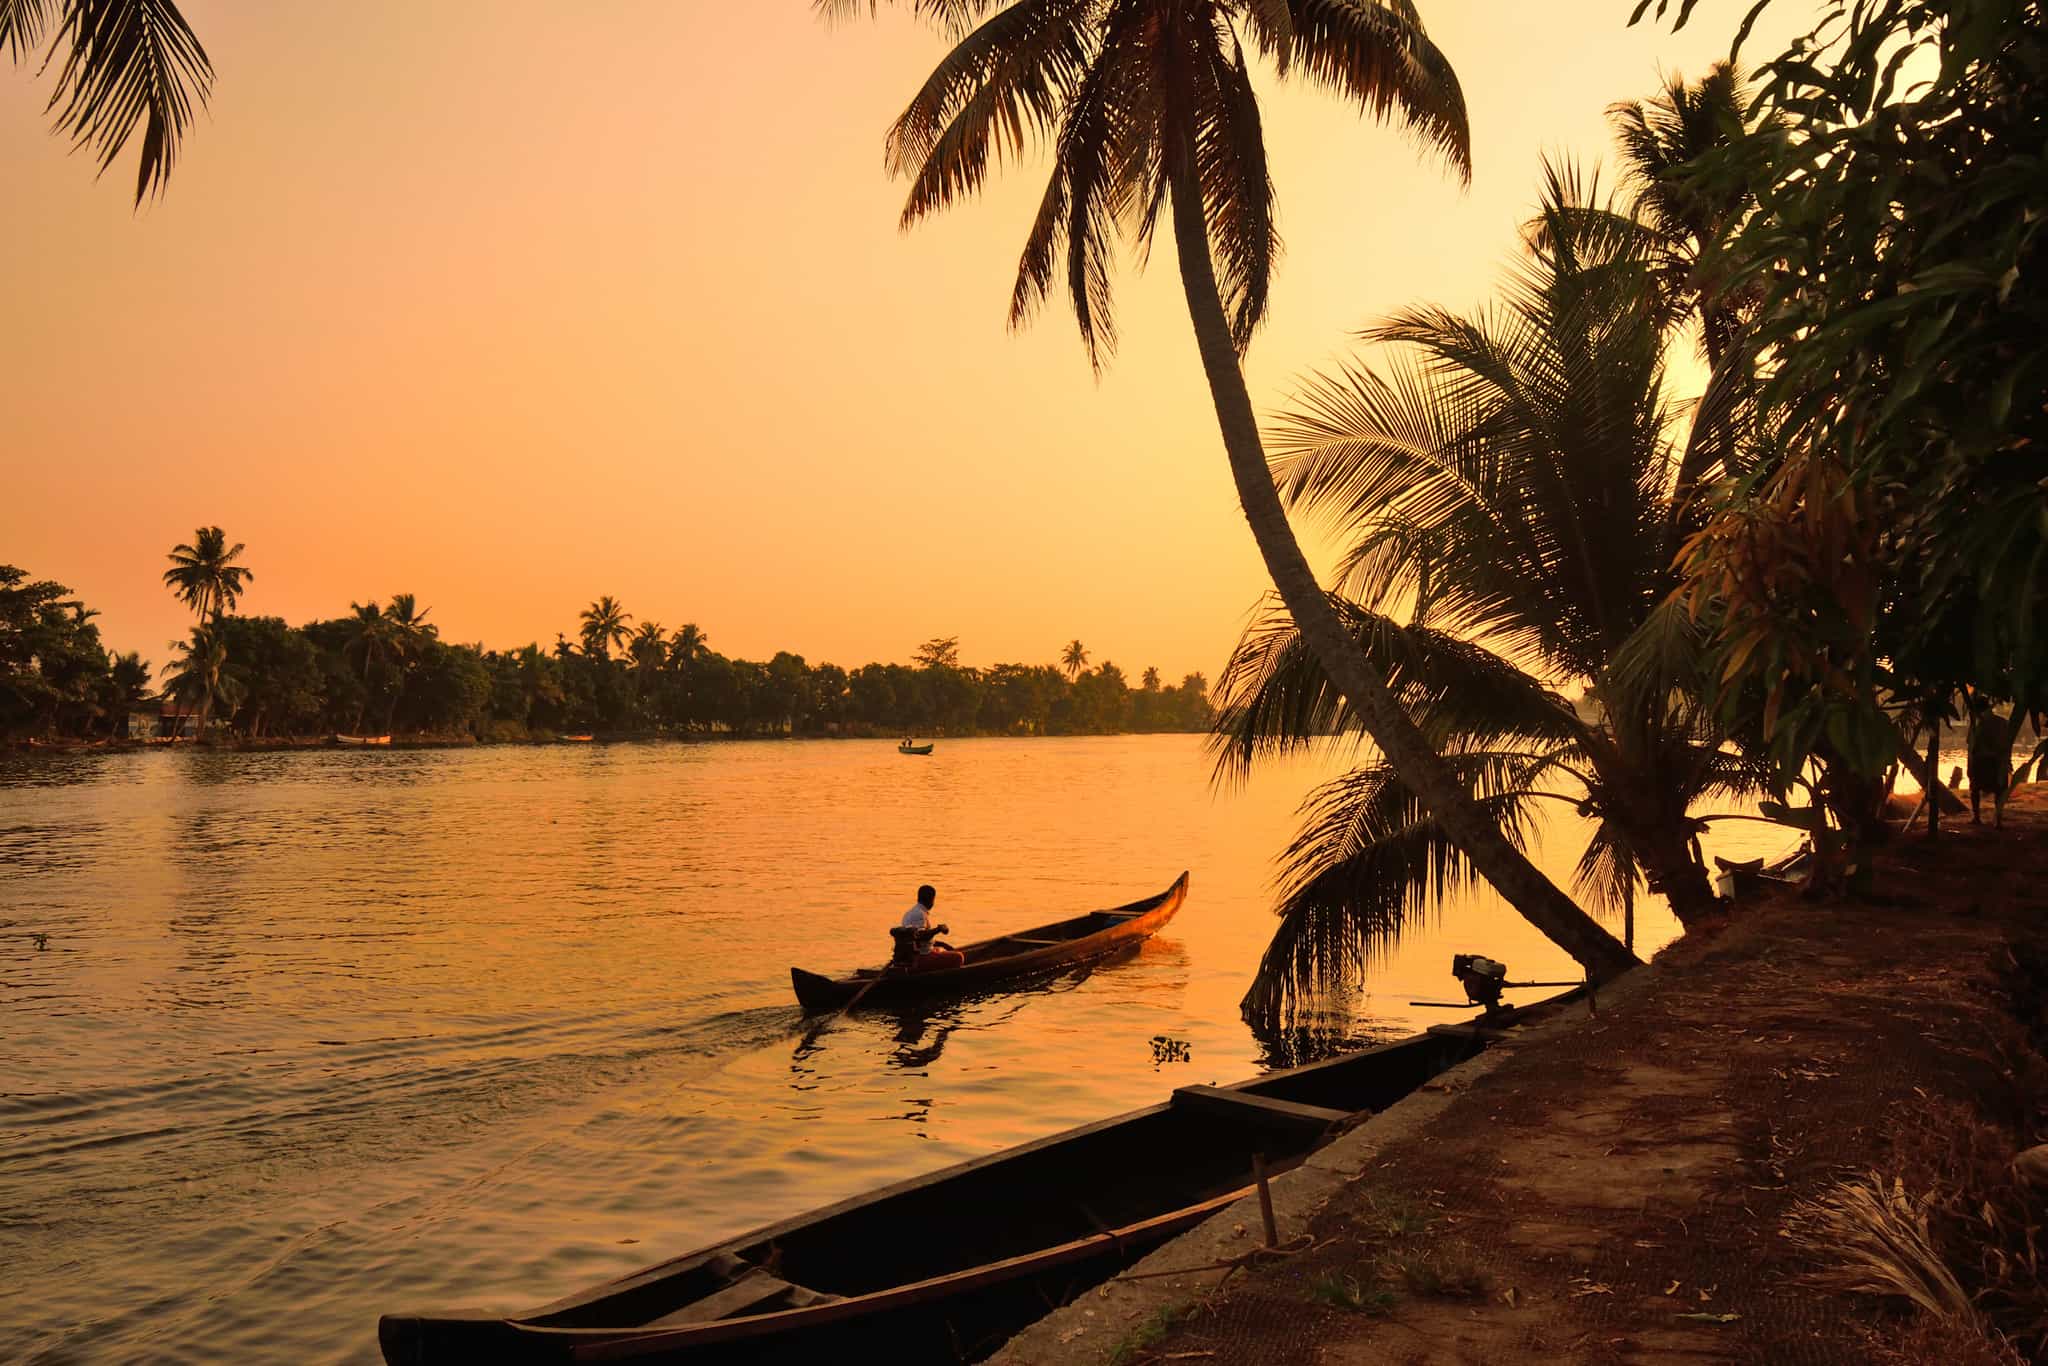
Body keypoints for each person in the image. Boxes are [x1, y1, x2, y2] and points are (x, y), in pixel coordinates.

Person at [891, 884, 965, 972]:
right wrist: (939, 929)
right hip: (921, 958)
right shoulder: (919, 914)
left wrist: (941, 944)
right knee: (959, 957)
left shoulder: (911, 912)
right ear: (931, 899)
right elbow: (920, 936)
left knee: (941, 949)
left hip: (917, 955)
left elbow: (919, 939)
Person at [1968, 695, 2012, 828]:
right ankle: (1998, 820)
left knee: (1975, 789)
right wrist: (2007, 763)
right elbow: (2007, 745)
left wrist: (1970, 767)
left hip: (1982, 762)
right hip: (1998, 762)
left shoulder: (1978, 724)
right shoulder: (2002, 722)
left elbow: (1972, 748)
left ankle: (1977, 817)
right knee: (1999, 791)